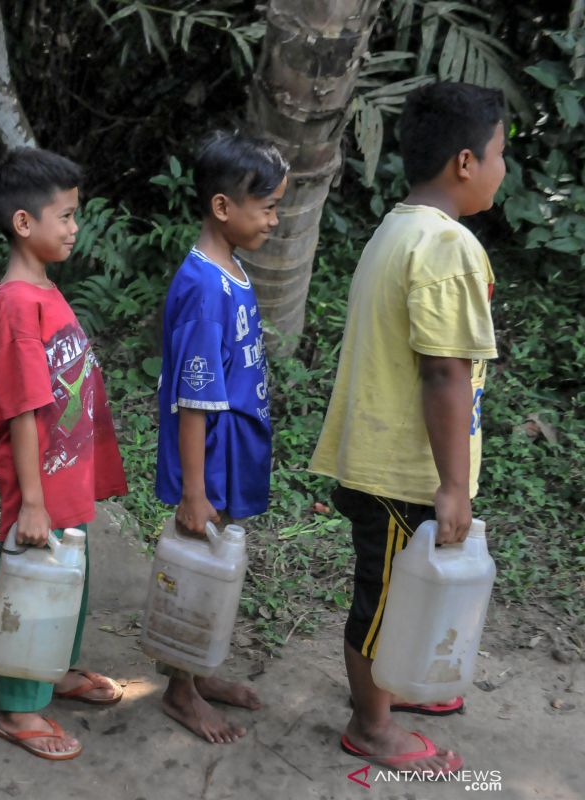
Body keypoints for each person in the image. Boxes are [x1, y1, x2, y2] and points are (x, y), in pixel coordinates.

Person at [310, 82, 506, 775]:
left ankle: (394, 691)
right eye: (500, 155)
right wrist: (454, 483)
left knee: (406, 588)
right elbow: (444, 372)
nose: (502, 170)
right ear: (463, 162)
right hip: (401, 469)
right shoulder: (447, 246)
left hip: (383, 457)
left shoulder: (397, 229)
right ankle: (372, 725)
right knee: (386, 597)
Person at [0, 147, 128, 760]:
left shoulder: (43, 289)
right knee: (31, 588)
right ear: (23, 223)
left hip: (64, 479)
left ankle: (55, 669)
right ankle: (19, 708)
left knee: (69, 580)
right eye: (64, 216)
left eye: (75, 214)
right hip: (38, 489)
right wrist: (31, 505)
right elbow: (19, 409)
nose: (74, 228)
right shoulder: (17, 303)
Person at [154, 131, 287, 743]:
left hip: (232, 457)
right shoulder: (204, 286)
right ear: (223, 207)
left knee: (219, 567)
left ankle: (200, 674)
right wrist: (193, 491)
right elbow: (192, 398)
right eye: (267, 208)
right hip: (209, 464)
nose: (275, 220)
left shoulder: (229, 269)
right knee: (201, 570)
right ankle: (181, 691)